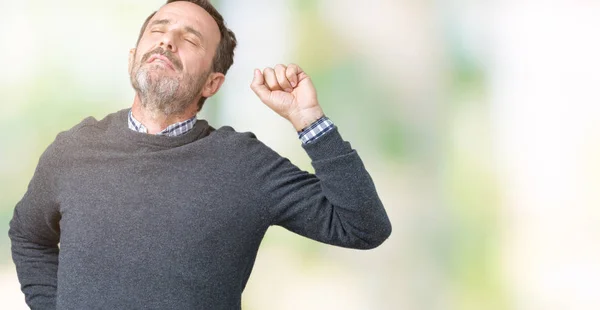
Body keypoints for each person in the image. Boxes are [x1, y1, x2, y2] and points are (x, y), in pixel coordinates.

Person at [8, 0, 392, 309]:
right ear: (132, 58)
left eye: (189, 40)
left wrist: (308, 120)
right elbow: (28, 236)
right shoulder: (73, 150)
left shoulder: (245, 164)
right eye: (158, 31)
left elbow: (364, 227)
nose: (167, 41)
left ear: (213, 82)